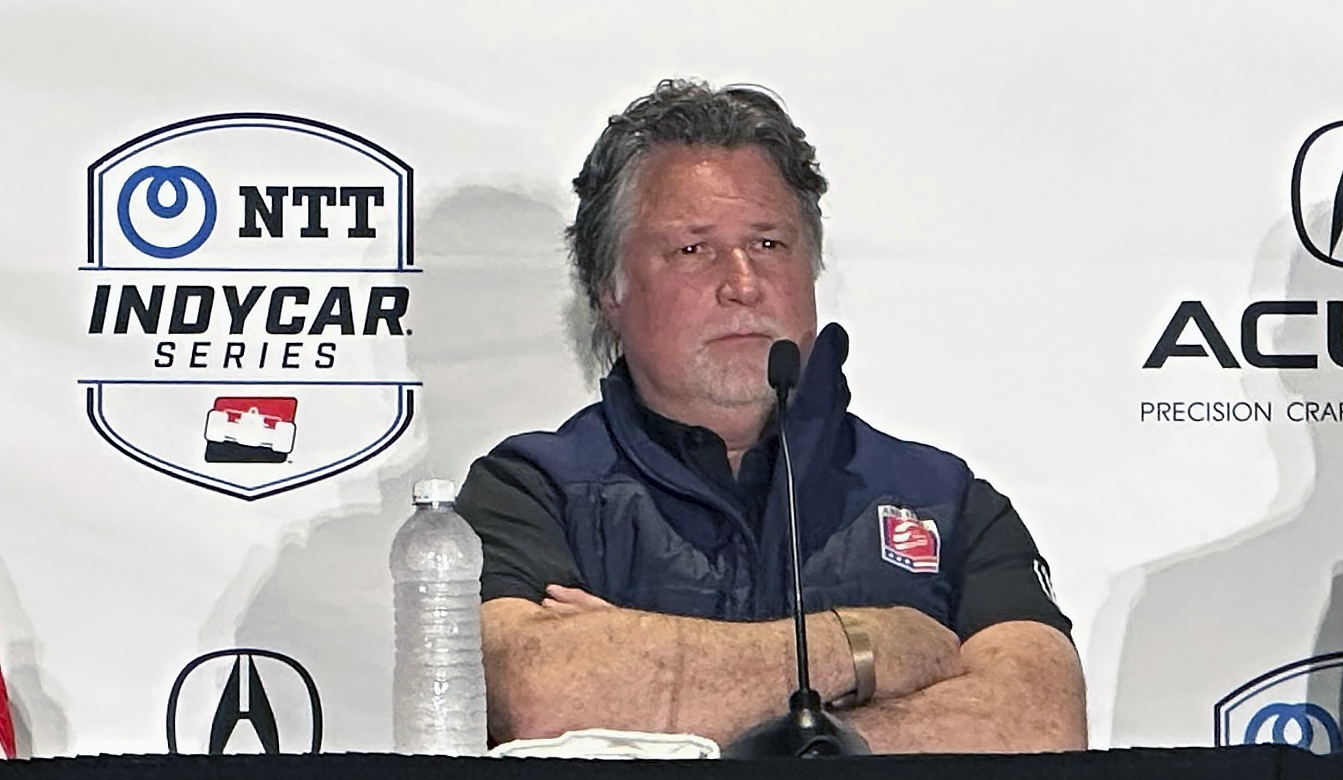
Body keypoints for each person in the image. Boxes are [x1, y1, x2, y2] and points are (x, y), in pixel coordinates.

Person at [455, 79, 1087, 753]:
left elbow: (1038, 725)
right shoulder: (532, 492)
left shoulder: (945, 500)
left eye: (768, 245)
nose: (743, 284)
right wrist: (872, 646)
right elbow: (538, 693)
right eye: (692, 249)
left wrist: (652, 687)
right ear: (607, 290)